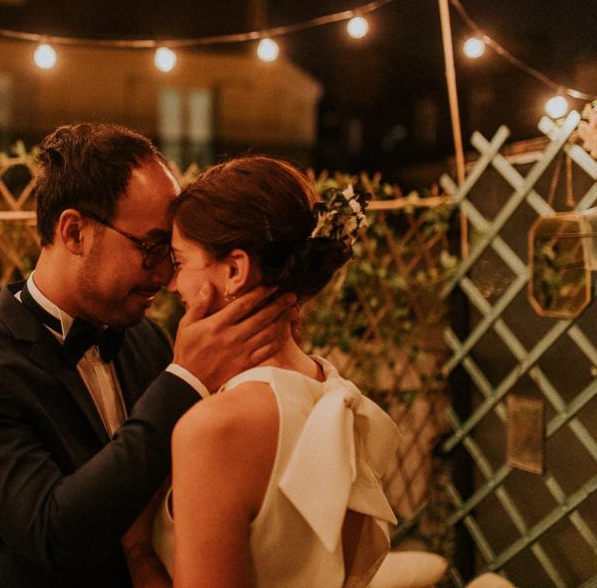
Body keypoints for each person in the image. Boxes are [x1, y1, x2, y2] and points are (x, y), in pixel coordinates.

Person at [0, 123, 297, 587]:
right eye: (151, 247)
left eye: (173, 255)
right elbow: (55, 535)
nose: (165, 275)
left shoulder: (149, 340)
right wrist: (184, 380)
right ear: (75, 231)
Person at [137, 154, 400, 587]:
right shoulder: (330, 391)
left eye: (181, 262)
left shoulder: (216, 428)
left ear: (235, 270)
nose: (171, 284)